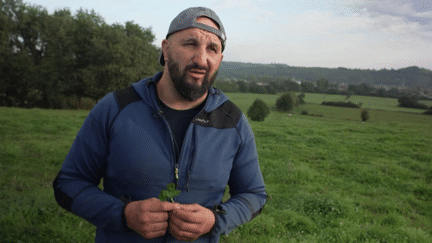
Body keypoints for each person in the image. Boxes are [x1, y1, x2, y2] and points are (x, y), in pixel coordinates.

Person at [53, 6, 267, 243]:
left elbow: (253, 194)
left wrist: (215, 220)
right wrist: (123, 215)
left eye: (212, 49)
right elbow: (68, 184)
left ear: (220, 59)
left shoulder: (232, 122)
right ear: (166, 49)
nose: (201, 59)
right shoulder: (115, 108)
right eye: (190, 44)